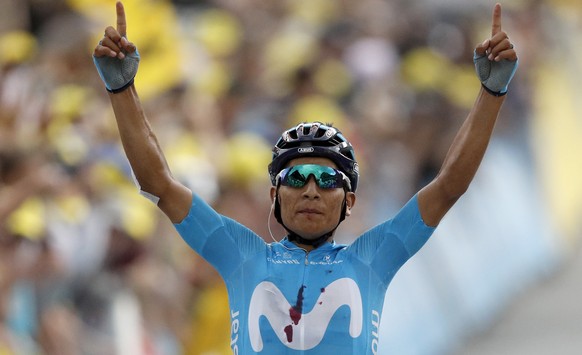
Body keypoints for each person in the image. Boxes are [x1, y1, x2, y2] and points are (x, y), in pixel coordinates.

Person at [93, 1, 518, 353]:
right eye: (296, 180)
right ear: (274, 196)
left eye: (326, 180)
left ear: (349, 201)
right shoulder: (241, 254)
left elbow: (448, 186)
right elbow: (159, 185)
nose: (311, 190)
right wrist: (122, 91)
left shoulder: (372, 257)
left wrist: (491, 95)